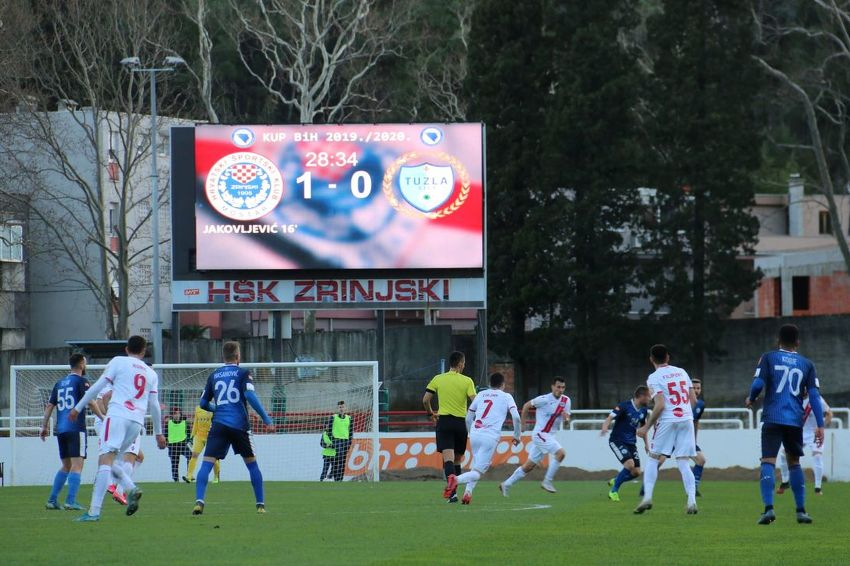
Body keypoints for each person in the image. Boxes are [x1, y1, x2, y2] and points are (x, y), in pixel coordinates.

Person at [68, 335, 166, 522]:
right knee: (113, 462)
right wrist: (159, 433)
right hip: (136, 423)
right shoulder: (150, 373)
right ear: (144, 352)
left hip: (118, 416)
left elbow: (98, 387)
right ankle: (129, 487)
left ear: (127, 349)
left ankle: (94, 512)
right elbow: (154, 405)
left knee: (105, 461)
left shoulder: (119, 361)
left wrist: (78, 407)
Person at [746, 323, 824, 525]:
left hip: (773, 416)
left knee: (768, 462)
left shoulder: (769, 357)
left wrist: (751, 398)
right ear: (798, 342)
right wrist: (821, 425)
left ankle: (769, 509)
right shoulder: (807, 364)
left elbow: (758, 384)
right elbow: (814, 396)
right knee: (794, 463)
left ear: (778, 340)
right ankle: (801, 511)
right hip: (795, 420)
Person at [193, 341, 273, 515]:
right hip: (239, 426)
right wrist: (266, 419)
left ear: (223, 357)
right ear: (238, 357)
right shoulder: (243, 373)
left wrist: (218, 408)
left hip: (219, 425)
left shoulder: (214, 375)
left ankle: (199, 501)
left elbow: (203, 403)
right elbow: (250, 395)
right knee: (252, 465)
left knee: (206, 464)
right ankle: (260, 505)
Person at [635, 344, 698, 515]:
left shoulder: (654, 378)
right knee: (684, 461)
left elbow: (660, 404)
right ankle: (691, 501)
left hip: (667, 420)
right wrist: (684, 414)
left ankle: (647, 497)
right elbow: (693, 400)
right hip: (686, 418)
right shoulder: (682, 372)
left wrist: (646, 427)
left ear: (651, 359)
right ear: (668, 357)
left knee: (654, 458)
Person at [444, 372, 520, 505]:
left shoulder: (480, 395)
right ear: (503, 385)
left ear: (490, 384)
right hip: (490, 437)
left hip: (475, 434)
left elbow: (468, 418)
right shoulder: (506, 396)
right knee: (479, 472)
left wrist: (470, 433)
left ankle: (468, 493)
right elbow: (516, 417)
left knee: (477, 466)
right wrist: (517, 435)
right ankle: (455, 480)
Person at [40, 354, 101, 511]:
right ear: (81, 364)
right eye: (85, 362)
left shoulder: (59, 383)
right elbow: (92, 402)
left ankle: (52, 500)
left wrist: (44, 426)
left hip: (61, 430)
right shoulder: (81, 381)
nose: (86, 365)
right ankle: (70, 501)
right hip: (76, 429)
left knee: (66, 465)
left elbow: (49, 406)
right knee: (77, 465)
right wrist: (103, 417)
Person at [500, 376, 571, 496]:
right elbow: (527, 405)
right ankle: (547, 482)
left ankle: (506, 484)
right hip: (540, 434)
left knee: (529, 466)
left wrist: (567, 419)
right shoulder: (544, 399)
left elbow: (567, 421)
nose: (561, 389)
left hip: (549, 436)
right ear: (552, 387)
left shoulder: (566, 401)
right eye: (558, 387)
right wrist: (523, 424)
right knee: (561, 453)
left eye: (563, 387)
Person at [423, 351, 476, 503]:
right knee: (458, 460)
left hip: (444, 422)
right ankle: (454, 492)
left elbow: (426, 400)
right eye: (464, 363)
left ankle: (452, 494)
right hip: (461, 423)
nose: (464, 366)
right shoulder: (467, 381)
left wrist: (430, 414)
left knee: (448, 460)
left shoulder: (438, 379)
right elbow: (475, 401)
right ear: (460, 364)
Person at [93, 387, 144, 507]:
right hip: (116, 424)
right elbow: (102, 400)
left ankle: (113, 484)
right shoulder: (119, 384)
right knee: (127, 457)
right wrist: (111, 417)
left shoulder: (115, 384)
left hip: (111, 424)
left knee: (138, 457)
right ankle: (117, 489)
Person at [600, 385, 650, 502]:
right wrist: (604, 427)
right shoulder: (624, 406)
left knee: (636, 472)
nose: (650, 399)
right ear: (641, 396)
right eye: (648, 396)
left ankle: (616, 480)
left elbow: (643, 428)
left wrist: (646, 444)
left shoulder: (644, 410)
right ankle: (613, 491)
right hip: (617, 440)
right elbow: (609, 417)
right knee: (629, 464)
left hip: (631, 443)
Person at [777, 393, 832, 496]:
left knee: (817, 456)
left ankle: (818, 488)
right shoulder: (793, 398)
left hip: (814, 433)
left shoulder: (816, 399)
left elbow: (829, 414)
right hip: (798, 432)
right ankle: (785, 482)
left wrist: (821, 427)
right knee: (783, 454)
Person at [183, 403, 220, 483]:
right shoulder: (198, 408)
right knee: (194, 455)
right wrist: (192, 436)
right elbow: (196, 423)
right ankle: (189, 476)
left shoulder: (214, 408)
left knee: (213, 457)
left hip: (211, 436)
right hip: (199, 436)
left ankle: (216, 476)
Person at [325, 401, 353, 482]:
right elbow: (329, 431)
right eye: (340, 407)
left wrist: (349, 443)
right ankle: (335, 477)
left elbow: (351, 432)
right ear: (337, 409)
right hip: (336, 440)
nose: (341, 409)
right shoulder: (333, 417)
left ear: (345, 408)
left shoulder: (349, 418)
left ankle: (340, 478)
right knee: (338, 458)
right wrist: (332, 440)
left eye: (343, 407)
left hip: (345, 441)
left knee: (343, 460)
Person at [691, 378, 707, 497]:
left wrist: (694, 440)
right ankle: (644, 490)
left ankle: (693, 488)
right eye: (693, 388)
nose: (696, 390)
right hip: (673, 437)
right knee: (659, 461)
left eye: (698, 388)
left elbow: (696, 422)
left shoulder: (700, 404)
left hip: (687, 440)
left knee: (701, 460)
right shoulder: (681, 402)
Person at [166, 407, 191, 482]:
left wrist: (188, 441)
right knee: (174, 463)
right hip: (172, 446)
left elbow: (189, 433)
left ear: (180, 414)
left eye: (177, 413)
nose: (176, 415)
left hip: (183, 445)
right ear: (172, 415)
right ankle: (175, 479)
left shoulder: (185, 423)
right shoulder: (168, 423)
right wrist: (167, 443)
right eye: (174, 414)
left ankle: (189, 475)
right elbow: (166, 434)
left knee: (190, 456)